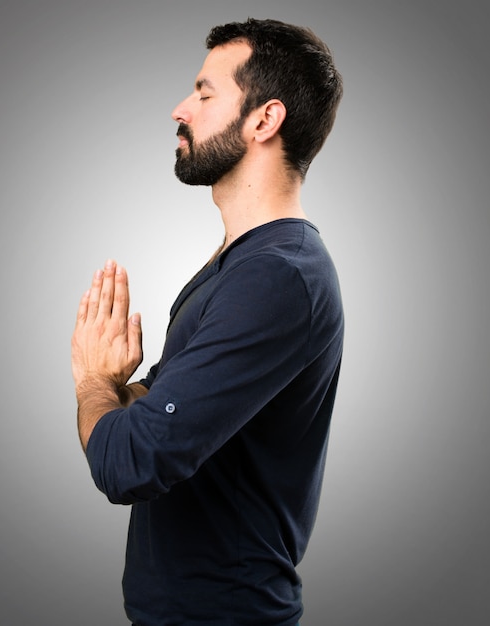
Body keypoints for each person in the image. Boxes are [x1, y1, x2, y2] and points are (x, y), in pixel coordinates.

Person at [71, 18, 344, 625]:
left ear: (264, 120)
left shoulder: (276, 278)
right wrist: (121, 387)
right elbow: (164, 406)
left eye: (203, 93)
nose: (180, 108)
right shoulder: (241, 265)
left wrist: (94, 381)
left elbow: (129, 462)